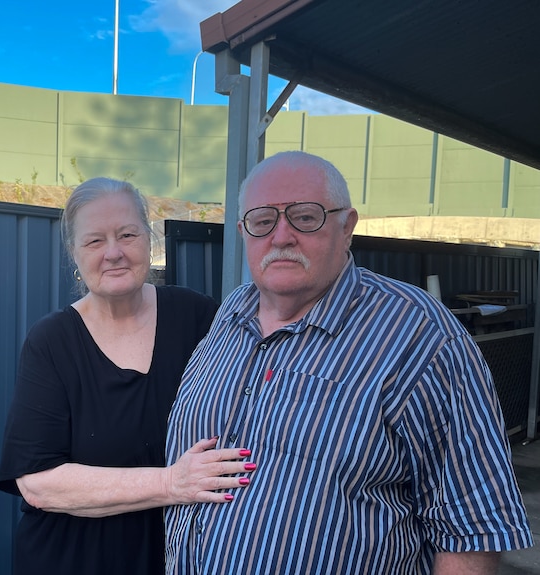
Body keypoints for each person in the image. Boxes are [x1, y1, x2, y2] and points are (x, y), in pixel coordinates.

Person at [164, 151, 533, 574]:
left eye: (305, 217)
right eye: (263, 220)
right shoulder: (230, 316)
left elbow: (472, 531)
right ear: (243, 231)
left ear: (347, 227)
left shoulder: (419, 335)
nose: (281, 236)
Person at [0, 177, 256, 575]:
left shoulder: (197, 316)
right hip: (72, 560)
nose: (114, 253)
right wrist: (172, 483)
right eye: (95, 241)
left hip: (174, 558)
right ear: (74, 253)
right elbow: (38, 483)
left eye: (127, 234)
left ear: (149, 240)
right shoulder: (52, 342)